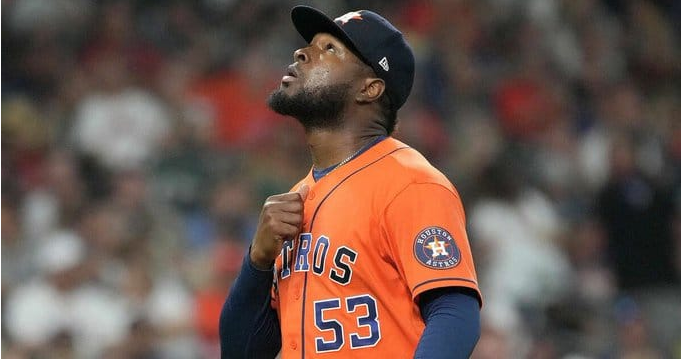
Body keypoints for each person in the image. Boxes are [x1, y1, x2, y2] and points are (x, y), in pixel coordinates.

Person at [219, 5, 482, 358]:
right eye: (310, 44)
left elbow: (455, 313)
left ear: (369, 89)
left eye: (329, 49)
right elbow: (242, 352)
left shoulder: (410, 182)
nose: (302, 52)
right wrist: (258, 262)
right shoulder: (299, 195)